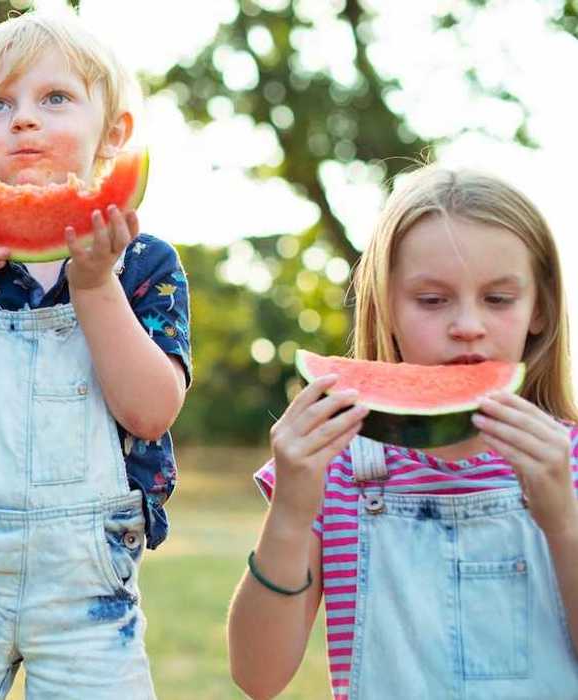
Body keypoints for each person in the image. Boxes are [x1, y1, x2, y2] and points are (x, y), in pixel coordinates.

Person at [0, 10, 191, 699]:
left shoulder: (143, 263)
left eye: (54, 99)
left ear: (115, 133)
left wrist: (94, 283)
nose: (22, 120)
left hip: (87, 590)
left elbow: (150, 411)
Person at [227, 164, 578, 698]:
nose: (467, 325)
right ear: (386, 307)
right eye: (432, 300)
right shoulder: (338, 467)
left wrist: (563, 522)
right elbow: (258, 676)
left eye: (498, 299)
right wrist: (293, 511)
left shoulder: (568, 458)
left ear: (540, 309)